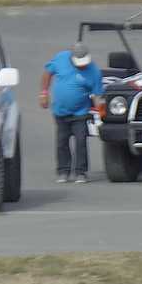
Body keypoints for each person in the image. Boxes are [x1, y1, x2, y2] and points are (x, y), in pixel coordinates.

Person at [39, 45, 101, 185]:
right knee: (62, 142)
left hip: (80, 113)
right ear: (72, 58)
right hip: (60, 112)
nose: (83, 66)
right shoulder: (61, 58)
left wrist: (101, 115)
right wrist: (43, 93)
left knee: (80, 142)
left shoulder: (94, 71)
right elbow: (47, 73)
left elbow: (97, 96)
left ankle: (81, 172)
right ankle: (63, 171)